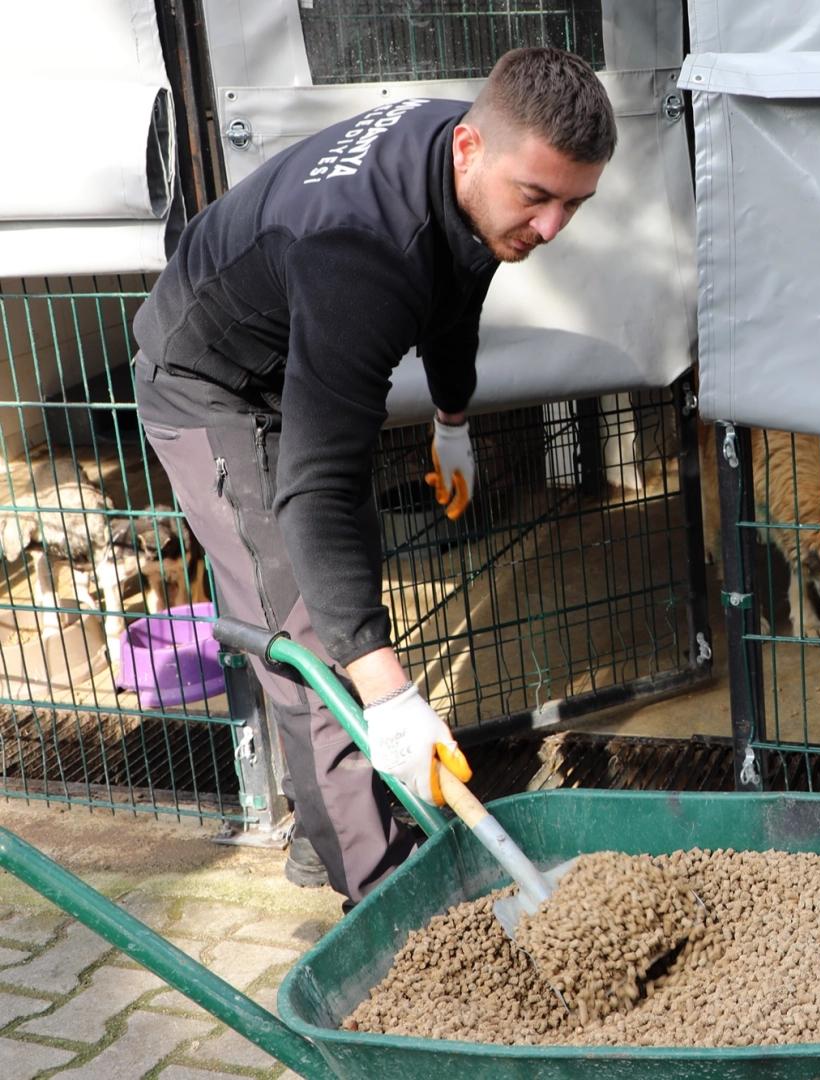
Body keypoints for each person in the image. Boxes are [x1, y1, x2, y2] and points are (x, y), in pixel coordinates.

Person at [131, 47, 616, 906]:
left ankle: (327, 829)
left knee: (342, 603)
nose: (550, 229)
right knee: (312, 635)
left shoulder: (462, 161)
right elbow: (313, 490)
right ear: (470, 149)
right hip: (209, 383)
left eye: (573, 203)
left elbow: (459, 285)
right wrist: (386, 689)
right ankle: (388, 910)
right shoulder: (361, 251)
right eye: (536, 198)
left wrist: (453, 419)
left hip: (299, 359)